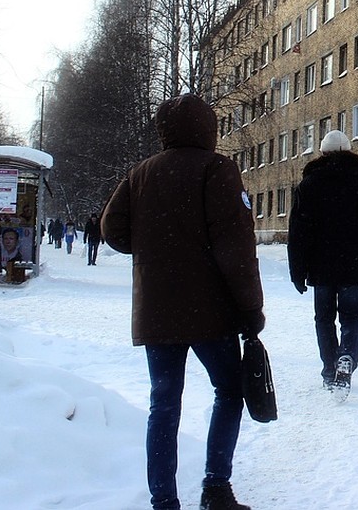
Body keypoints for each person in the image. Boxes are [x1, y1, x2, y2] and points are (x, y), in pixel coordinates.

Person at [102, 93, 263, 510]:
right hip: (212, 312)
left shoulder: (140, 173)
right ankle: (215, 489)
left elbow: (112, 228)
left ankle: (164, 502)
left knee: (164, 403)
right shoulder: (217, 169)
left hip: (158, 310)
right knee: (229, 391)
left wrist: (155, 248)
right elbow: (235, 247)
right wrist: (250, 308)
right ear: (208, 129)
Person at [288, 129, 358, 396]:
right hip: (355, 266)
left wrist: (297, 271)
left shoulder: (309, 185)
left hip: (321, 268)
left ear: (322, 153)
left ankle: (330, 369)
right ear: (349, 152)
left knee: (324, 319)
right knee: (352, 318)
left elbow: (298, 232)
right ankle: (347, 359)